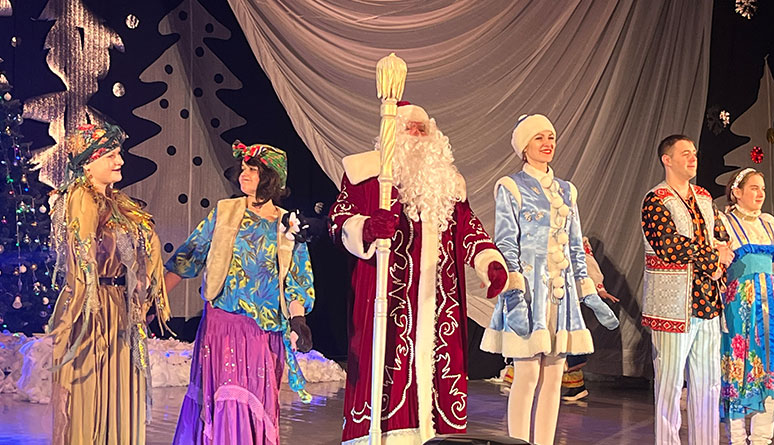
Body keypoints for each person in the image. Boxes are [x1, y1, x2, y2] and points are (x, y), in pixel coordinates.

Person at [329, 102, 509, 444]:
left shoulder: (447, 182)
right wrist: (366, 227)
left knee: (439, 373)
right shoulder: (366, 177)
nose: (416, 134)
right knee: (386, 371)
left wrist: (489, 262)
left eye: (422, 128)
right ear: (391, 134)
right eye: (408, 128)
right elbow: (338, 220)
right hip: (389, 300)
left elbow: (467, 228)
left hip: (439, 304)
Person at [480, 114, 619, 444]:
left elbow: (575, 244)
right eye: (539, 138)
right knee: (527, 375)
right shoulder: (511, 186)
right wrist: (514, 293)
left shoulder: (567, 191)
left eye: (551, 137)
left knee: (555, 377)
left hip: (561, 294)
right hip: (529, 293)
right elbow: (506, 242)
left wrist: (587, 291)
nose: (547, 143)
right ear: (524, 147)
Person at [167, 141, 315, 445]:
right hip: (223, 325)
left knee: (253, 401)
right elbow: (188, 257)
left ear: (271, 178)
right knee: (226, 399)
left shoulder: (288, 224)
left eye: (253, 170)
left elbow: (297, 279)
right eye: (243, 168)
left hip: (263, 331)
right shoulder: (225, 212)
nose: (243, 175)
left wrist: (298, 320)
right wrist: (155, 298)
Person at [48, 122, 172, 445]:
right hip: (94, 309)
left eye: (119, 153)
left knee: (119, 390)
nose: (120, 161)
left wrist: (142, 286)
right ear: (89, 163)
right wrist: (88, 304)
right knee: (93, 390)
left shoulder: (118, 203)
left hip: (119, 307)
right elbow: (83, 253)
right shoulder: (81, 198)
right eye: (111, 155)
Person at [640, 134, 734, 445]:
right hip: (672, 305)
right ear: (667, 160)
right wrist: (712, 257)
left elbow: (721, 237)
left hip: (707, 301)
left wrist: (720, 257)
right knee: (669, 384)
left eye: (694, 152)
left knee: (708, 383)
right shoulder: (656, 199)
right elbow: (670, 246)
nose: (693, 158)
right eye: (685, 153)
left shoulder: (704, 197)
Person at [719, 168, 774, 444]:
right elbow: (717, 269)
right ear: (737, 192)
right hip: (738, 309)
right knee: (739, 372)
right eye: (754, 188)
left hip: (769, 311)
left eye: (762, 188)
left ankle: (762, 439)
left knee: (769, 373)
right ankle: (737, 438)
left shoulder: (769, 224)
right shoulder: (724, 223)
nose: (760, 193)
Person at [561, 237, 620, 402]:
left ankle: (575, 387)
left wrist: (599, 289)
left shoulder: (575, 239)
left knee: (569, 339)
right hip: (548, 294)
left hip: (568, 296)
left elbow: (588, 265)